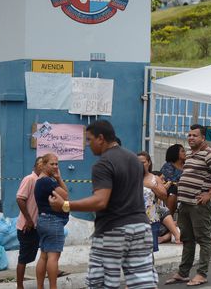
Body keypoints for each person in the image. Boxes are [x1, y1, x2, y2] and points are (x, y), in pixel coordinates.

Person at [48, 120, 157, 289]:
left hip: (113, 231)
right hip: (141, 229)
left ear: (101, 138)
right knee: (142, 282)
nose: (88, 145)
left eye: (89, 140)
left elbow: (100, 200)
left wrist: (65, 205)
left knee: (101, 284)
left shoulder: (103, 163)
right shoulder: (134, 160)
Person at [165, 124, 211, 287]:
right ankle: (183, 273)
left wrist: (209, 194)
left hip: (199, 205)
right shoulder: (191, 155)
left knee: (204, 239)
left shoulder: (209, 154)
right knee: (187, 239)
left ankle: (202, 274)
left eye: (195, 135)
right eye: (189, 135)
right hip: (185, 204)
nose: (191, 138)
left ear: (203, 138)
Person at [34, 153, 68, 289]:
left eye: (56, 164)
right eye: (52, 164)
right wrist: (59, 179)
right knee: (53, 257)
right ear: (44, 165)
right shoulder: (47, 181)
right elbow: (66, 195)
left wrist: (57, 177)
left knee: (44, 256)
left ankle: (40, 287)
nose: (55, 166)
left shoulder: (41, 180)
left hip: (44, 220)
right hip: (52, 221)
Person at [15, 156, 43, 289]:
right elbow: (20, 199)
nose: (43, 166)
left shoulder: (43, 181)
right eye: (40, 164)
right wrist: (29, 219)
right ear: (35, 167)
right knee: (24, 258)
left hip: (39, 226)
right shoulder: (30, 179)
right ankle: (19, 286)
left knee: (47, 253)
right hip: (27, 226)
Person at [137, 152, 168, 253]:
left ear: (149, 163)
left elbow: (164, 196)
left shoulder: (155, 178)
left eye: (143, 162)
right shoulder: (131, 178)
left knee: (149, 252)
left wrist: (152, 186)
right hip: (134, 221)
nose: (140, 165)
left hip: (151, 220)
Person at [160, 144, 185, 216]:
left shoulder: (187, 165)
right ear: (176, 153)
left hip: (184, 191)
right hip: (171, 190)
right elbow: (168, 180)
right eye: (182, 151)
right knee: (173, 189)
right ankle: (169, 216)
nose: (185, 153)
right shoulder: (168, 166)